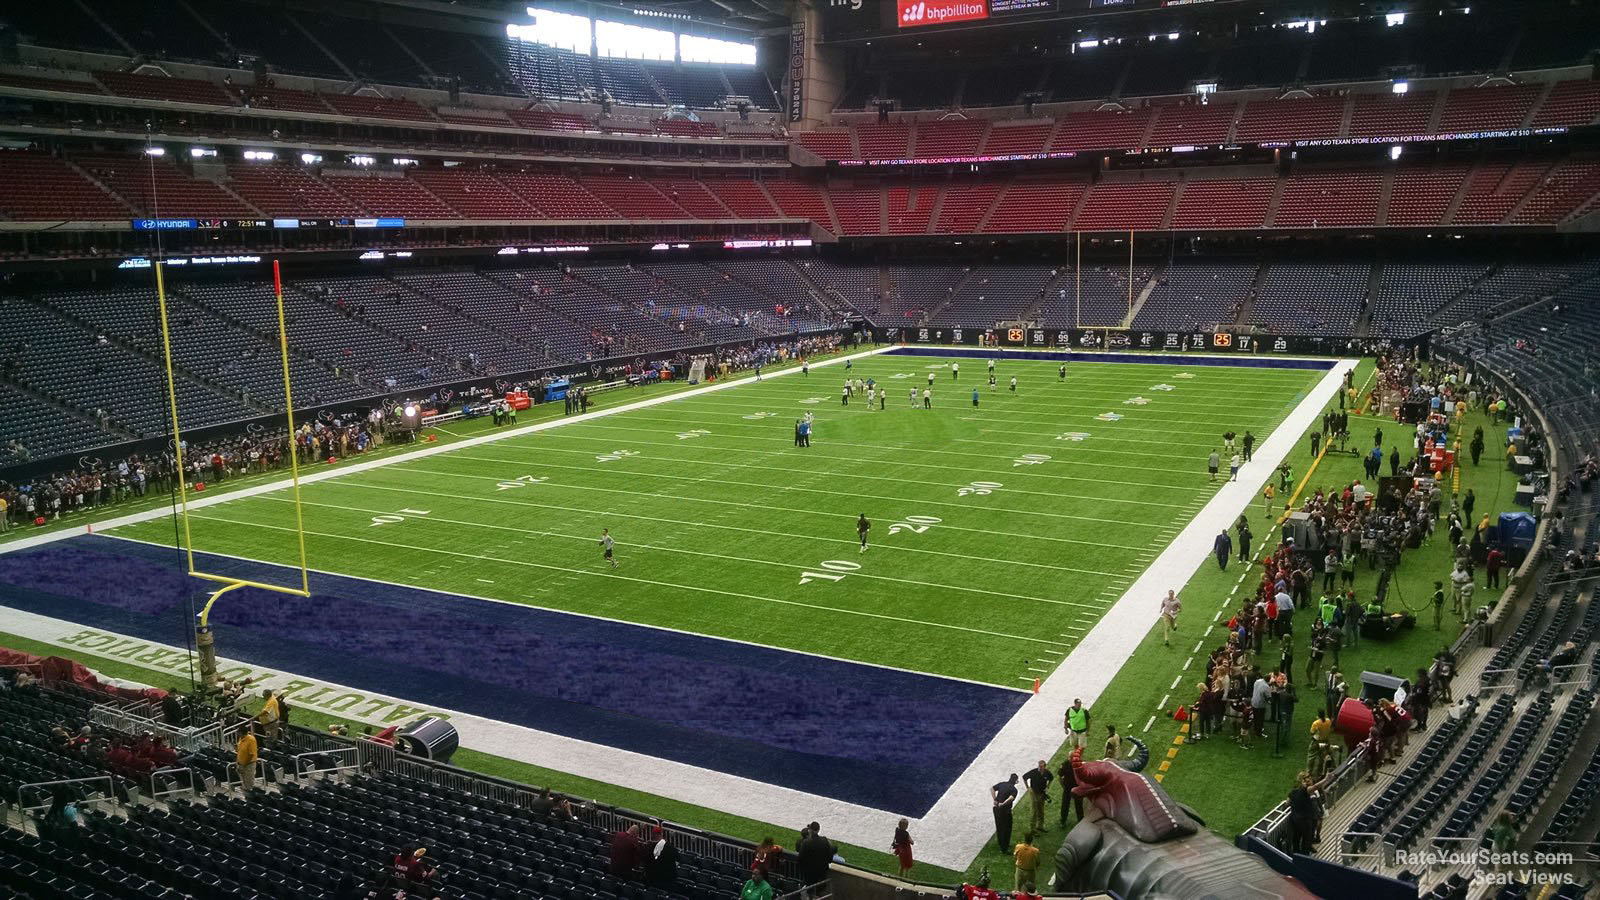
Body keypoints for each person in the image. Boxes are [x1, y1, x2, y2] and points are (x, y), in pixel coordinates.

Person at [796, 822, 835, 891]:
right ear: (818, 830)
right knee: (818, 890)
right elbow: (830, 855)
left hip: (809, 873)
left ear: (810, 830)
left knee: (809, 890)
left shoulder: (806, 843)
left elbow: (800, 858)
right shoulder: (824, 840)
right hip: (822, 871)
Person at [1022, 759, 1053, 834]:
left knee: (1041, 810)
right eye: (1039, 766)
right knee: (1034, 811)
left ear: (1044, 767)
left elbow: (1051, 778)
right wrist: (1028, 788)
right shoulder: (1034, 772)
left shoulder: (1046, 773)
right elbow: (1024, 777)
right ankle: (1032, 829)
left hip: (1042, 793)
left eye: (1041, 767)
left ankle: (1040, 826)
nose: (1040, 768)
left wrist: (1047, 786)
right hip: (1034, 793)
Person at [991, 774, 1019, 852]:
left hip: (997, 809)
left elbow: (992, 788)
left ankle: (1000, 842)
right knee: (1006, 828)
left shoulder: (1002, 784)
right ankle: (1004, 847)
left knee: (999, 826)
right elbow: (1011, 798)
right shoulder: (1014, 789)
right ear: (1015, 781)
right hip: (1005, 811)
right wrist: (1003, 804)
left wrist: (995, 799)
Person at [1056, 756, 1082, 826]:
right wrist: (1063, 785)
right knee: (1065, 804)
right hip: (1067, 788)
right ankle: (1063, 820)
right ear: (1068, 757)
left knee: (1078, 804)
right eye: (1070, 757)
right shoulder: (1065, 764)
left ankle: (1080, 819)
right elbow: (1060, 776)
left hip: (1076, 787)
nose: (1071, 759)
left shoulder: (1078, 763)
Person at [236, 725, 258, 794]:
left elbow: (251, 754)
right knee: (243, 782)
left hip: (248, 765)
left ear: (241, 733)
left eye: (238, 732)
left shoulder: (251, 740)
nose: (237, 733)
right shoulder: (241, 738)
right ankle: (246, 795)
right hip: (240, 764)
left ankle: (250, 796)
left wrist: (244, 764)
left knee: (249, 782)